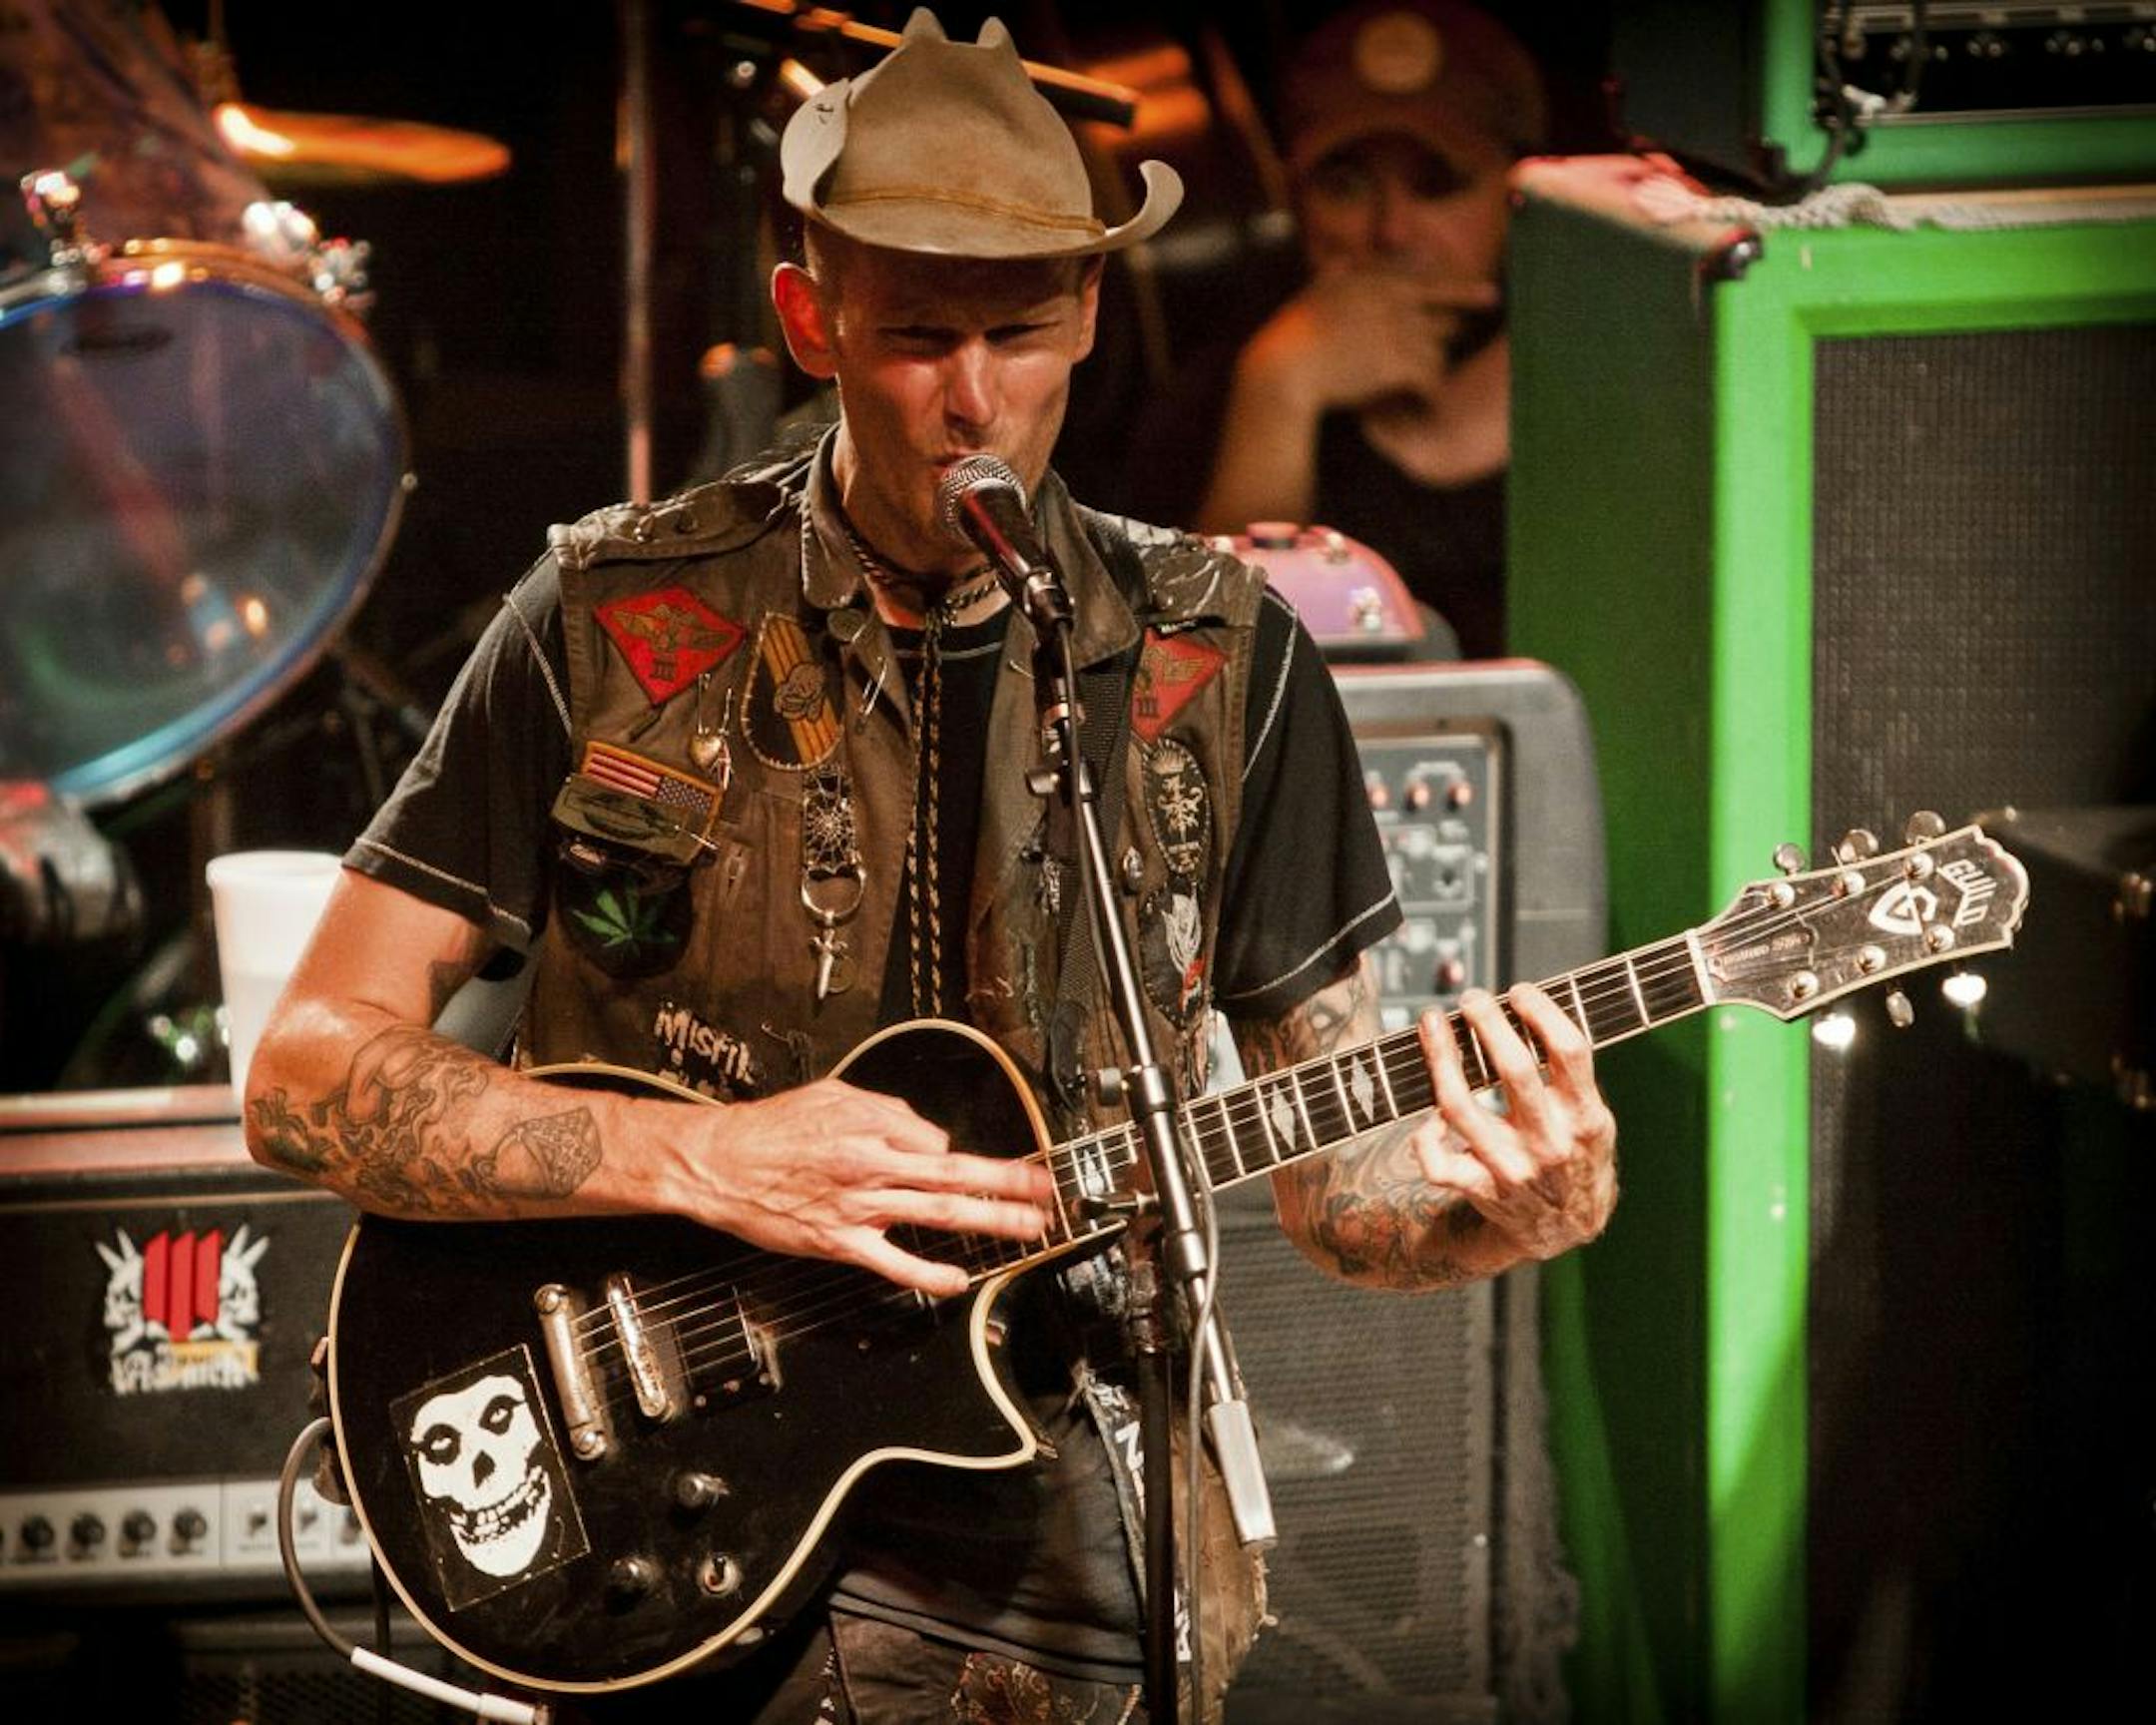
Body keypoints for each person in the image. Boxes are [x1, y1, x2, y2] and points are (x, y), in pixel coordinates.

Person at [243, 11, 1616, 1721]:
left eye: (1018, 333)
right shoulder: (610, 618)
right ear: (810, 311)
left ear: (1092, 317)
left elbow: (1341, 1191)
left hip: (1057, 1538)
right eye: (914, 338)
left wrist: (1512, 1209)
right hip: (653, 1487)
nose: (971, 396)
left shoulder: (1220, 658)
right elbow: (304, 1075)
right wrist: (711, 1161)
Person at [1142, 1, 1543, 660]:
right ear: (1296, 200)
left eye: (1437, 185)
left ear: (1517, 193)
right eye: (1346, 186)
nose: (1391, 231)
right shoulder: (1211, 396)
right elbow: (1199, 676)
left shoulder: (1602, 381)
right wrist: (1279, 392)